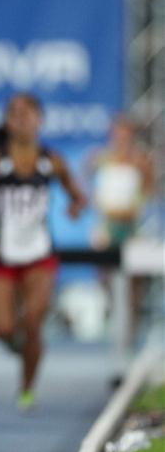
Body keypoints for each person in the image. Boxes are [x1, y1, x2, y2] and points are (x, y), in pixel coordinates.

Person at [0, 93, 86, 412]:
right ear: (7, 122)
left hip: (40, 257)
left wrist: (75, 208)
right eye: (14, 113)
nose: (21, 119)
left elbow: (78, 197)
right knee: (3, 329)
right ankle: (29, 353)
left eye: (27, 113)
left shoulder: (52, 161)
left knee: (32, 322)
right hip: (5, 257)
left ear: (40, 120)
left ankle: (27, 387)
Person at [86, 116, 155, 359]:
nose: (121, 138)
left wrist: (138, 202)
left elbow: (150, 190)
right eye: (117, 133)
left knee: (134, 283)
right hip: (108, 226)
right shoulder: (102, 158)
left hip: (132, 226)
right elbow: (87, 178)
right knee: (107, 276)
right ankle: (114, 314)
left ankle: (130, 332)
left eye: (125, 134)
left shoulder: (140, 161)